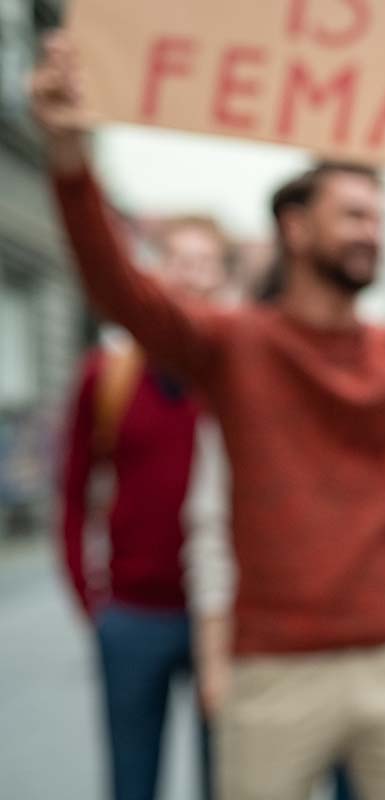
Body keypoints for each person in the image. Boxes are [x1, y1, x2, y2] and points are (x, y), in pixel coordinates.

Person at [32, 33, 385, 800]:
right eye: (351, 213)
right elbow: (121, 293)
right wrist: (71, 164)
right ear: (295, 226)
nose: (370, 230)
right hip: (273, 675)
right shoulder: (231, 345)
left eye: (378, 216)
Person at [59, 213, 230, 800]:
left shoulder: (237, 374)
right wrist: (93, 600)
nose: (191, 277)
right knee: (132, 782)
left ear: (221, 279)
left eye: (206, 263)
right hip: (133, 615)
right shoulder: (106, 376)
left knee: (230, 783)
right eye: (179, 261)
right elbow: (73, 492)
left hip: (224, 617)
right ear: (156, 274)